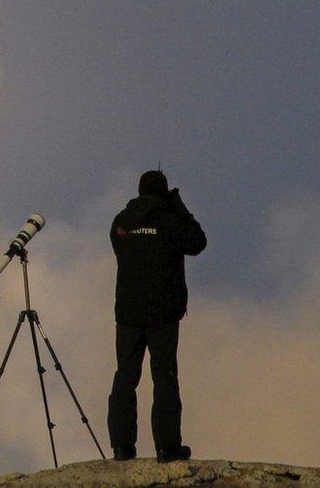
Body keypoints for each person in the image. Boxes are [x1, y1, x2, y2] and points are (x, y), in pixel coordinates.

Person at [107, 170, 207, 463]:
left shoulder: (120, 223)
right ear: (164, 193)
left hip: (128, 313)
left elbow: (122, 248)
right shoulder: (170, 221)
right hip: (163, 314)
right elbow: (198, 243)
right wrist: (179, 206)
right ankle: (167, 447)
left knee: (125, 377)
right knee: (164, 378)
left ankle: (122, 447)